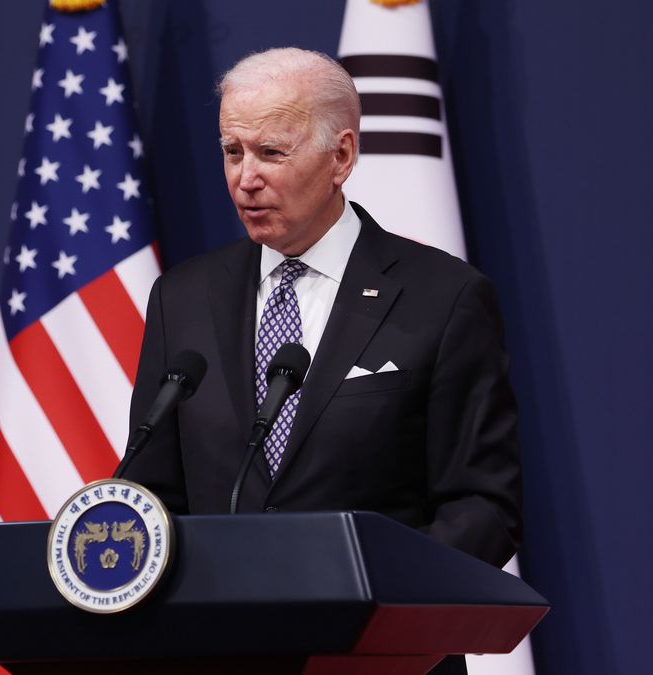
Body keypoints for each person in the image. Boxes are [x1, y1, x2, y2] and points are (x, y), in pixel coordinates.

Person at [120, 47, 521, 575]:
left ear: (341, 157)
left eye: (271, 152)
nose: (246, 178)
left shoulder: (443, 297)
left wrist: (374, 590)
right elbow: (154, 492)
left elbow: (483, 506)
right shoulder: (182, 297)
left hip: (380, 646)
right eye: (232, 151)